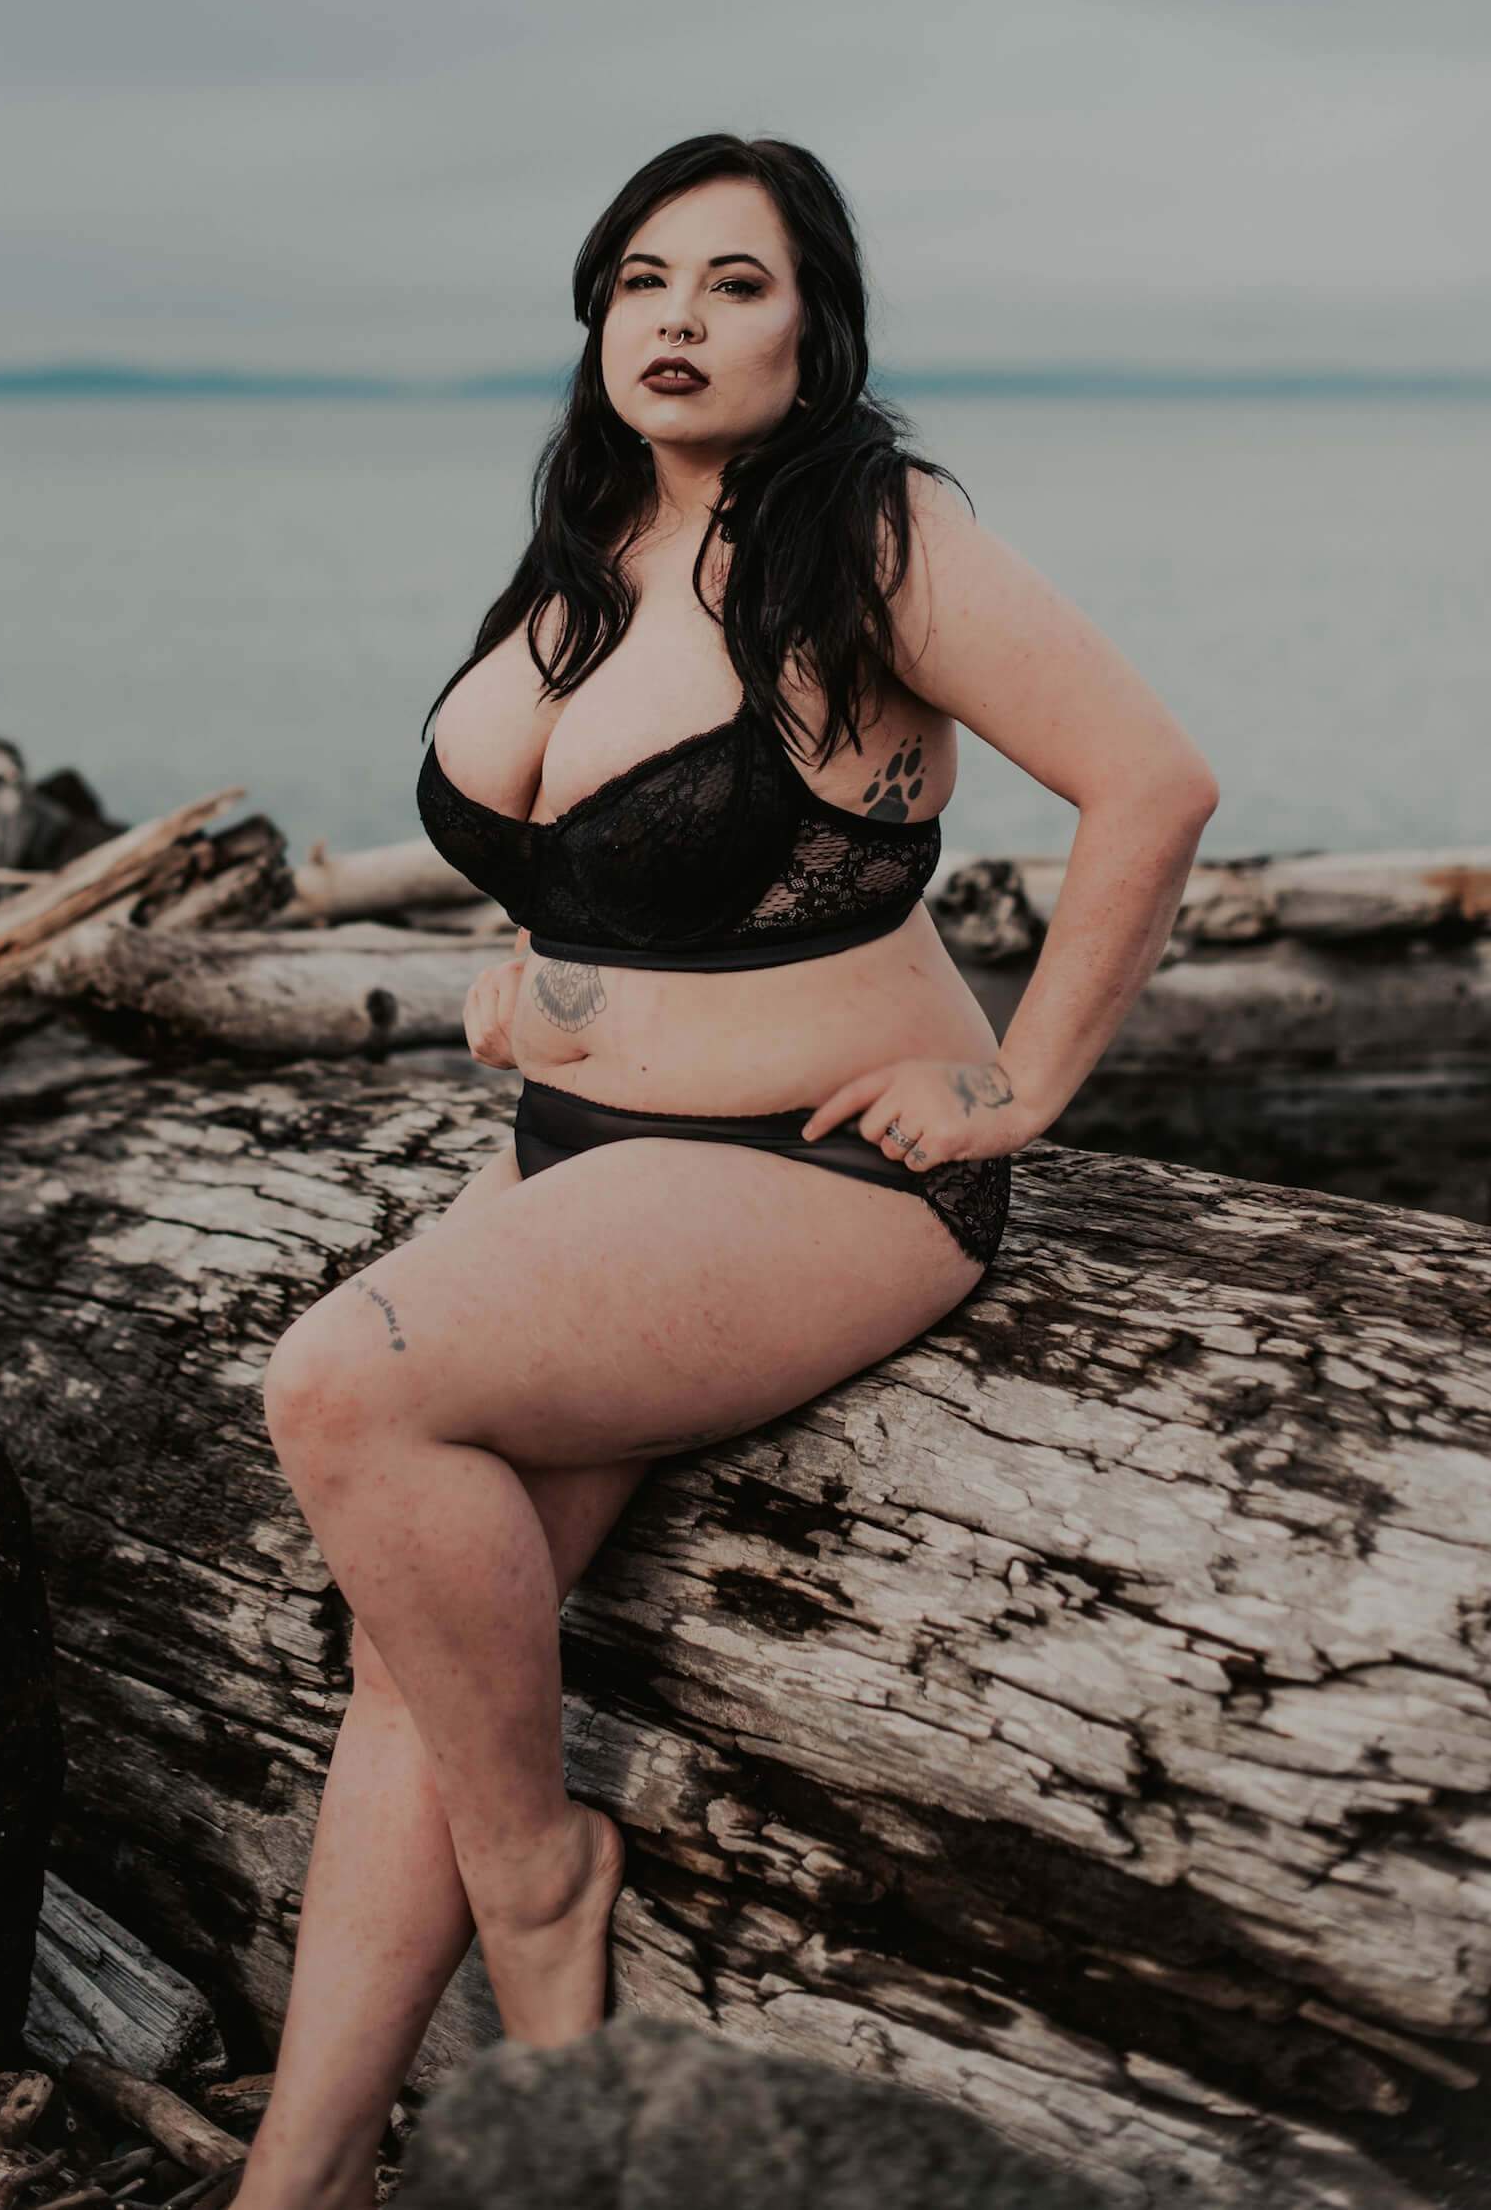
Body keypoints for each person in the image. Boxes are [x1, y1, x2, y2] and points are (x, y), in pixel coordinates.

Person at [245, 133, 1218, 2210]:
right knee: (422, 1653)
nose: (675, 319)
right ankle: (296, 2186)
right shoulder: (589, 535)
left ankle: (544, 1883)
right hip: (588, 1159)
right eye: (638, 281)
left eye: (734, 282)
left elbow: (1151, 779)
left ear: (815, 323)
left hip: (820, 1174)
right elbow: (598, 845)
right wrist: (539, 970)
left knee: (338, 1385)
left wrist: (1024, 1084)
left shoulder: (867, 529)